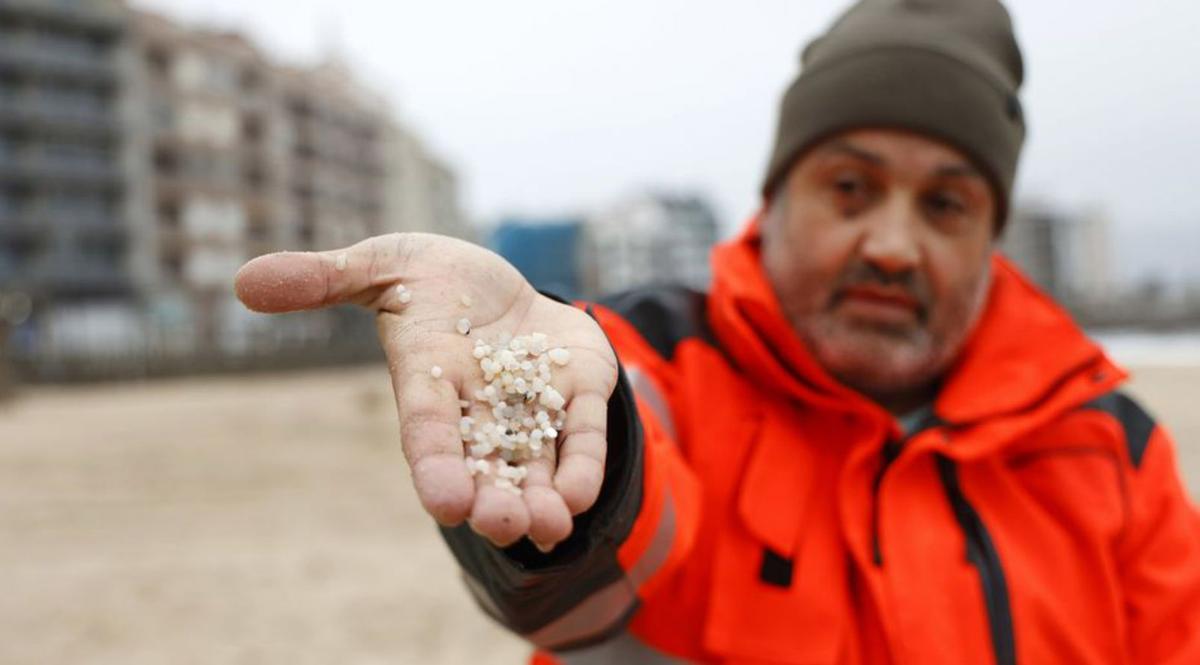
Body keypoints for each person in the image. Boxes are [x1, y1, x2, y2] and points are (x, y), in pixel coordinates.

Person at [234, 0, 1200, 662]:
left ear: (992, 235)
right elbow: (593, 549)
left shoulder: (1112, 446)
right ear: (773, 199)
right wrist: (580, 451)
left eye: (946, 204)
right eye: (851, 187)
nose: (894, 244)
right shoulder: (656, 361)